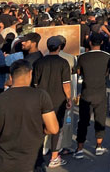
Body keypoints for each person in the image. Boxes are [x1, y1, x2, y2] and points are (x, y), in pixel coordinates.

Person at [0, 60, 59, 172]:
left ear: (11, 76)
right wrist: (39, 131)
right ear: (30, 73)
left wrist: (3, 134)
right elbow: (53, 128)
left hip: (5, 164)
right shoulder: (41, 96)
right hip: (32, 163)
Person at [32, 35, 73, 168]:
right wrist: (68, 98)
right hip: (58, 100)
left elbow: (36, 83)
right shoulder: (63, 63)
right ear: (60, 47)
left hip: (41, 99)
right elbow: (66, 84)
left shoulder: (39, 62)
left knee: (41, 127)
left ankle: (39, 153)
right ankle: (54, 156)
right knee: (56, 128)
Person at [74, 33, 110, 159]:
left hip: (86, 92)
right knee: (100, 120)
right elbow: (106, 73)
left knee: (83, 121)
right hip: (100, 92)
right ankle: (99, 146)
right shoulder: (107, 56)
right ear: (101, 43)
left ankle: (79, 148)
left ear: (90, 43)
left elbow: (78, 72)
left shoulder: (82, 57)